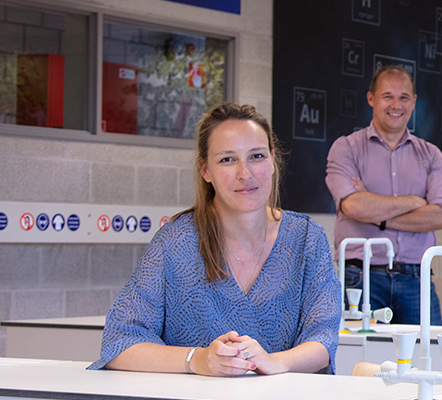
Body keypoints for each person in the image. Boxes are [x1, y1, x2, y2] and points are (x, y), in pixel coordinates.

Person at [91, 103, 340, 376]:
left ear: (271, 161)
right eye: (227, 160)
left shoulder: (307, 239)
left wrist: (275, 362)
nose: (245, 174)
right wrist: (196, 360)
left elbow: (323, 340)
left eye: (256, 156)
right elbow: (119, 342)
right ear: (205, 170)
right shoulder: (174, 243)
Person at [325, 65, 442, 325]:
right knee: (361, 352)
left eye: (403, 97)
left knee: (427, 351)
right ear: (371, 98)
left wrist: (377, 214)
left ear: (413, 102)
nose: (396, 105)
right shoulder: (346, 148)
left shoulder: (431, 155)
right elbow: (353, 207)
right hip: (360, 279)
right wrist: (415, 203)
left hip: (417, 279)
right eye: (388, 96)